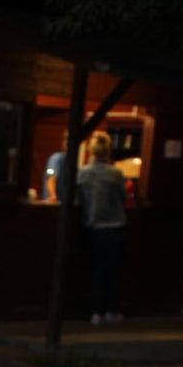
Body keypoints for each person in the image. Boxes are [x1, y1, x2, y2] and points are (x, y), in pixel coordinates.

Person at [78, 130, 127, 325]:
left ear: (91, 150)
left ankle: (97, 312)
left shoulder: (83, 173)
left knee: (97, 270)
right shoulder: (116, 173)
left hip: (94, 226)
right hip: (115, 226)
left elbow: (79, 199)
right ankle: (112, 310)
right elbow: (123, 198)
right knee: (114, 270)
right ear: (108, 150)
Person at [42, 131, 68, 203]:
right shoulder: (55, 159)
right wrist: (53, 196)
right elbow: (51, 177)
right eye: (66, 139)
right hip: (52, 204)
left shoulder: (70, 161)